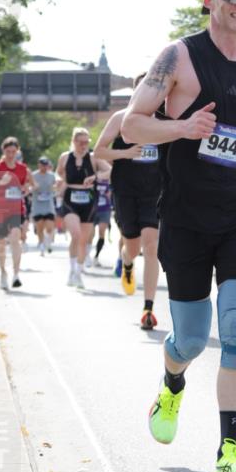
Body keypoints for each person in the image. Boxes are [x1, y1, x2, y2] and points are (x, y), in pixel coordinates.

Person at [122, 0, 236, 472]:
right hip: (187, 217)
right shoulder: (177, 57)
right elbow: (132, 125)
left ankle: (228, 455)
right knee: (191, 340)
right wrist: (182, 127)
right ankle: (172, 385)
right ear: (210, 0)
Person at [94, 74, 162, 329]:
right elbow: (99, 151)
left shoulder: (164, 121)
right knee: (132, 248)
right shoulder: (120, 118)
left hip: (154, 193)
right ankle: (127, 262)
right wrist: (126, 152)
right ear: (137, 91)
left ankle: (148, 308)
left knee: (151, 246)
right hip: (126, 192)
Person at [0, 138, 33, 289]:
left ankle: (16, 275)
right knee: (1, 243)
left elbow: (27, 185)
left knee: (15, 238)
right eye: (8, 152)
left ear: (17, 151)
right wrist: (0, 183)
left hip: (17, 209)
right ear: (3, 151)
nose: (11, 155)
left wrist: (26, 189)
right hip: (0, 210)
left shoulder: (22, 168)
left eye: (13, 152)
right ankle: (3, 272)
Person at [56, 127, 96, 289]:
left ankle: (78, 273)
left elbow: (110, 171)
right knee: (76, 235)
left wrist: (95, 176)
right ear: (74, 141)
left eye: (87, 142)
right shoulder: (65, 157)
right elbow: (58, 172)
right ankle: (72, 269)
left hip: (89, 199)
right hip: (70, 198)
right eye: (81, 142)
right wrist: (60, 180)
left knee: (83, 240)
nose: (84, 145)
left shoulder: (93, 158)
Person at [31, 157, 57, 255]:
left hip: (48, 205)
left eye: (46, 165)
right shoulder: (33, 175)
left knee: (50, 227)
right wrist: (33, 187)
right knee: (39, 227)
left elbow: (56, 186)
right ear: (39, 165)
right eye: (42, 165)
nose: (44, 167)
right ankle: (42, 244)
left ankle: (47, 241)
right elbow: (28, 186)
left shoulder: (51, 176)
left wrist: (54, 188)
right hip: (37, 205)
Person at [88, 167, 113, 267]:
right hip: (93, 210)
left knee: (102, 233)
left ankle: (96, 256)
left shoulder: (109, 180)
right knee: (90, 234)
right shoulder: (93, 179)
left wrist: (109, 194)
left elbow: (111, 193)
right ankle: (87, 255)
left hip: (105, 209)